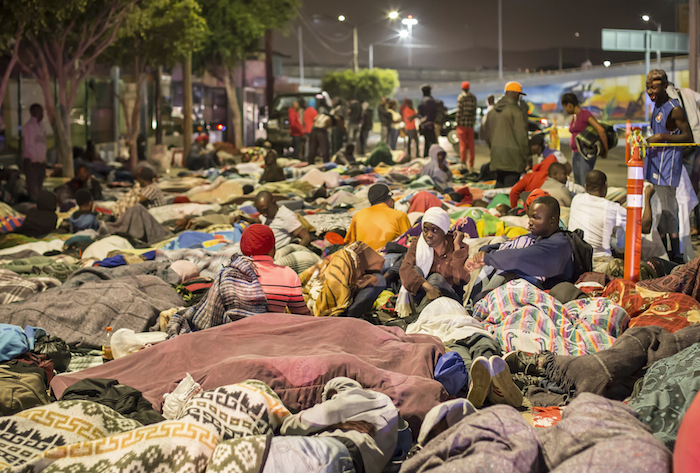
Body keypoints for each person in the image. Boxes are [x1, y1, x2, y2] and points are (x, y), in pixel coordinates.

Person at [279, 377, 399, 473]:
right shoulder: (384, 404)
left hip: (339, 447)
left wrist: (333, 423)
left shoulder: (349, 397)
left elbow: (291, 427)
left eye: (332, 398)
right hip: (362, 464)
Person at [465, 196, 574, 292]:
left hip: (545, 289)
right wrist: (484, 250)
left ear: (552, 220)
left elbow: (518, 257)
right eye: (530, 217)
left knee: (506, 273)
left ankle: (479, 300)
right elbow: (508, 244)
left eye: (536, 218)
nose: (530, 222)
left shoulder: (558, 244)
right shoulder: (538, 236)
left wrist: (486, 258)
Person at [645, 69, 694, 263]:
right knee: (659, 210)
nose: (650, 90)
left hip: (667, 167)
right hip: (654, 165)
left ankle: (675, 255)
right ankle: (664, 251)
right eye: (648, 87)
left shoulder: (674, 108)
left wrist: (660, 137)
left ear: (665, 86)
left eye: (654, 86)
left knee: (668, 210)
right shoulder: (657, 105)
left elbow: (688, 136)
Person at [398, 207, 470, 316]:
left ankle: (418, 318)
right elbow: (405, 269)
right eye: (426, 230)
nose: (429, 234)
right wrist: (428, 287)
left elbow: (460, 280)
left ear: (444, 230)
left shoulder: (457, 246)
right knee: (414, 270)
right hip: (424, 297)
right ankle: (420, 315)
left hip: (450, 302)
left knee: (436, 278)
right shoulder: (419, 244)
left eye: (434, 230)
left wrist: (457, 248)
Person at [239, 224, 310, 315]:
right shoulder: (288, 274)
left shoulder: (231, 273)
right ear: (273, 249)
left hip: (238, 328)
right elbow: (301, 314)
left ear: (243, 249)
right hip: (274, 328)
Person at [482, 82, 530, 188]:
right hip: (513, 157)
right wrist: (527, 158)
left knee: (500, 184)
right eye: (519, 95)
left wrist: (494, 148)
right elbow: (522, 137)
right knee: (510, 190)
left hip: (497, 155)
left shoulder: (492, 111)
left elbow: (486, 135)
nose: (519, 97)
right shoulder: (516, 111)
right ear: (515, 94)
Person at [344, 183, 411, 250]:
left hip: (363, 258)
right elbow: (410, 241)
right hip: (388, 258)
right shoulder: (399, 215)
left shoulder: (358, 215)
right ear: (389, 199)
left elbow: (349, 242)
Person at [562, 92, 609, 186]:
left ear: (570, 105)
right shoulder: (574, 116)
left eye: (565, 107)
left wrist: (605, 150)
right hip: (575, 153)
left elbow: (601, 130)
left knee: (584, 182)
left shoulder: (585, 114)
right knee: (578, 182)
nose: (565, 110)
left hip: (584, 153)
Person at [237, 191, 312, 249]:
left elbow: (306, 238)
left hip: (276, 254)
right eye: (261, 212)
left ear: (273, 202)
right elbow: (258, 220)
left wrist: (294, 252)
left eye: (266, 210)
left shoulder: (286, 216)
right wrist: (243, 218)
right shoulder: (267, 214)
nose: (264, 214)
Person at [508, 138, 561, 208]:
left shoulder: (530, 177)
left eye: (531, 146)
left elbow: (513, 192)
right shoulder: (555, 178)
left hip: (530, 211)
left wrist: (514, 209)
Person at [22, 104, 47, 202]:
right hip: (32, 163)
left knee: (39, 186)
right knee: (33, 189)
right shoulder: (29, 127)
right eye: (38, 111)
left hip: (40, 162)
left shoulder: (42, 126)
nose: (41, 114)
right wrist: (34, 160)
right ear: (33, 113)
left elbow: (43, 144)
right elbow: (29, 145)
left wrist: (43, 160)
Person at [456, 81, 478, 172]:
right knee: (471, 145)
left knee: (462, 145)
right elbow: (474, 111)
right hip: (470, 125)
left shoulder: (461, 97)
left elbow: (459, 111)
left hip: (462, 125)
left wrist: (457, 122)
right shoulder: (473, 98)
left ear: (462, 88)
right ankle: (471, 165)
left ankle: (463, 163)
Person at [418, 84, 438, 157]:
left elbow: (419, 113)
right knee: (432, 142)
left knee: (426, 143)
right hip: (430, 125)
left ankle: (426, 157)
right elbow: (433, 112)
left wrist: (422, 119)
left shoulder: (422, 101)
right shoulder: (431, 100)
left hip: (424, 125)